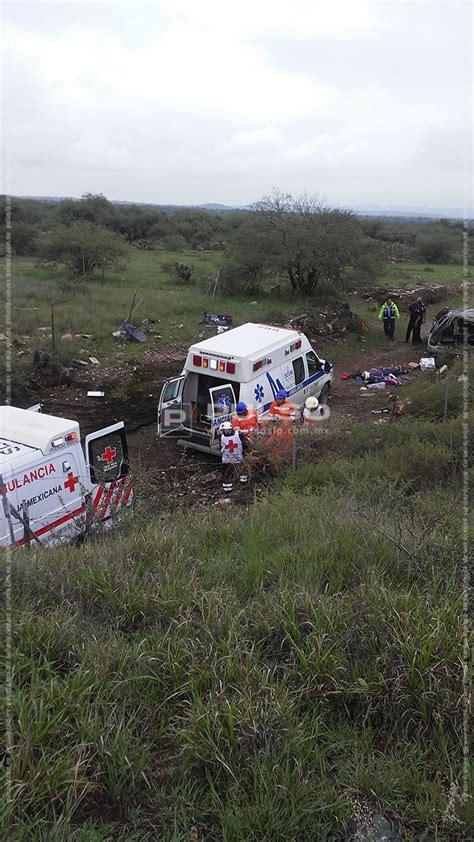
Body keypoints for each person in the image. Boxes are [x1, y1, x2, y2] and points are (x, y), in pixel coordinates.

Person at [218, 421, 246, 492]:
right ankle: (244, 486)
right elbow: (245, 445)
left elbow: (221, 448)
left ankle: (228, 490)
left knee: (227, 474)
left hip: (227, 459)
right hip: (238, 458)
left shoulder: (221, 437)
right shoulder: (239, 435)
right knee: (242, 471)